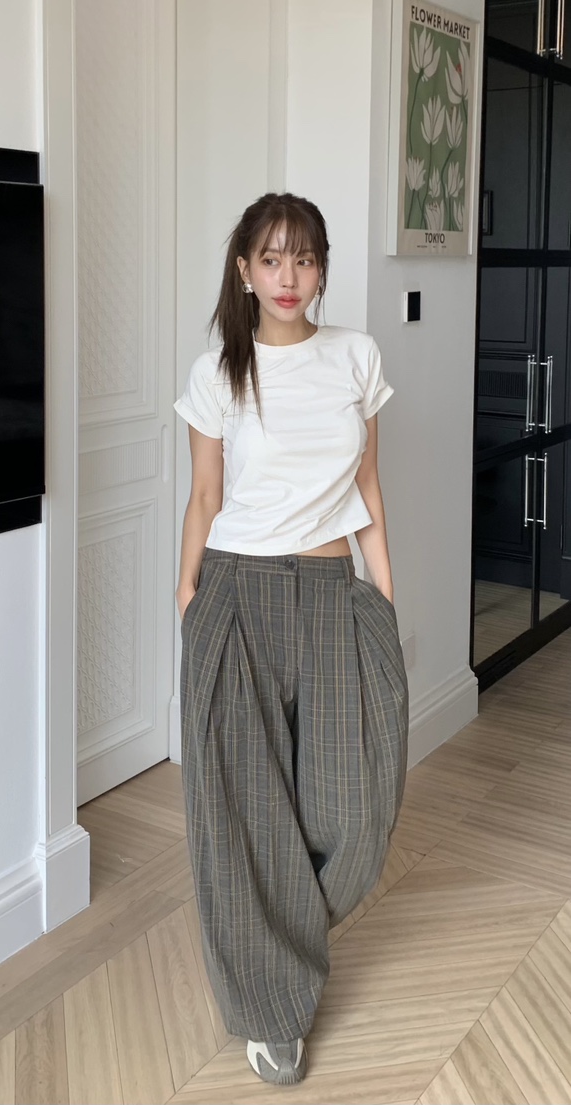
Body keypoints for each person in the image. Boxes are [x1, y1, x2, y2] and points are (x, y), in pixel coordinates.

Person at [175, 193, 409, 1086]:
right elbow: (204, 494)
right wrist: (187, 595)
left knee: (355, 808)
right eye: (271, 258)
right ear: (243, 269)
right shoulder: (216, 372)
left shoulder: (355, 356)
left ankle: (282, 934)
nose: (288, 276)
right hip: (235, 588)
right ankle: (272, 1007)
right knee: (241, 809)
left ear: (321, 269)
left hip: (332, 589)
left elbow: (370, 485)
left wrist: (383, 593)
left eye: (304, 258)